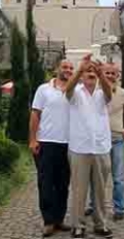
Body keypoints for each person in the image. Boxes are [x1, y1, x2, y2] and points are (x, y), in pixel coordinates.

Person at [65, 55, 114, 238]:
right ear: (82, 75)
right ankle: (78, 225)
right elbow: (67, 89)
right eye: (88, 72)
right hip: (80, 148)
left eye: (93, 71)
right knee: (79, 189)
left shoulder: (103, 93)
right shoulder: (75, 92)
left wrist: (101, 72)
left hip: (101, 147)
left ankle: (100, 224)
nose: (91, 74)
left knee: (100, 190)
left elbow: (110, 93)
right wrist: (80, 68)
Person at [86, 62, 124, 221]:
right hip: (98, 142)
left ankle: (119, 208)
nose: (109, 76)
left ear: (117, 76)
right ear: (102, 73)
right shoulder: (95, 92)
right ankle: (94, 206)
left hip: (116, 140)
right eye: (106, 73)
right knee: (97, 177)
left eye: (112, 73)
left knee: (118, 178)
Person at [29, 60, 74, 237]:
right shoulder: (43, 89)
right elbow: (35, 114)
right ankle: (48, 221)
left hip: (69, 144)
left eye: (71, 68)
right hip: (46, 142)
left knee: (63, 184)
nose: (68, 70)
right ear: (57, 69)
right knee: (45, 182)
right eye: (65, 67)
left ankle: (59, 219)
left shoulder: (76, 90)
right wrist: (33, 139)